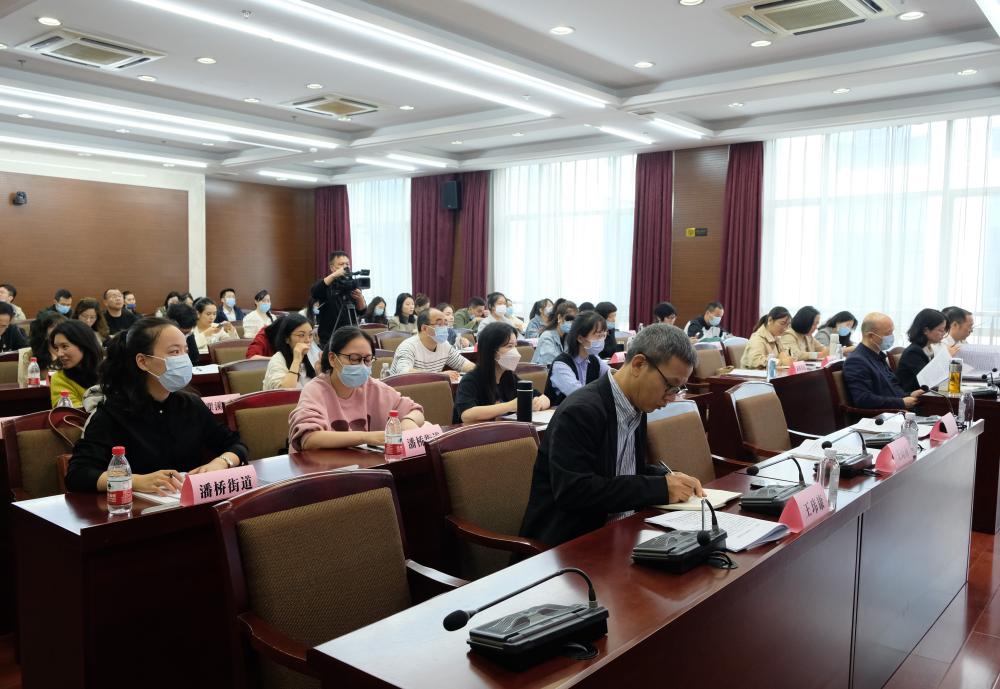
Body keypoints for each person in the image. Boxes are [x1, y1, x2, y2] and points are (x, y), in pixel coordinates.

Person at [519, 324, 705, 547]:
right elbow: (575, 492)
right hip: (570, 546)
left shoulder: (637, 405)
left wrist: (667, 477)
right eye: (670, 386)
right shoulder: (581, 411)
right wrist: (659, 488)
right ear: (639, 364)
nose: (671, 397)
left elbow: (620, 470)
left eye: (678, 390)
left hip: (622, 533)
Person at [66, 317, 248, 494]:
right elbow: (78, 474)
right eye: (174, 352)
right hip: (137, 510)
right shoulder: (111, 414)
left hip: (187, 502)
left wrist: (221, 462)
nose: (183, 359)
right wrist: (135, 481)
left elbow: (235, 444)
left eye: (185, 351)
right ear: (143, 361)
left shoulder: (190, 404)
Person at [288, 326, 425, 450]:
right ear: (332, 359)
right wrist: (367, 437)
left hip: (365, 465)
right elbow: (309, 439)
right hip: (324, 466)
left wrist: (408, 421)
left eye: (367, 360)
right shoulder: (315, 390)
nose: (362, 366)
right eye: (354, 359)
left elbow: (415, 410)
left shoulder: (372, 387)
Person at [453, 322, 550, 423]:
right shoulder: (471, 380)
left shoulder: (509, 377)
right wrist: (510, 406)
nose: (515, 352)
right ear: (492, 352)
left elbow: (544, 398)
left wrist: (538, 403)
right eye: (509, 346)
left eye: (515, 346)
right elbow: (466, 415)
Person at [844, 313, 924, 410]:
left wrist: (909, 395)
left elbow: (892, 388)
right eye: (888, 333)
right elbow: (863, 399)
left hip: (897, 410)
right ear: (871, 336)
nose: (891, 336)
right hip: (882, 415)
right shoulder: (856, 361)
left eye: (892, 332)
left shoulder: (878, 355)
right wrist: (901, 403)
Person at [387, 308, 474, 382]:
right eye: (439, 324)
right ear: (425, 328)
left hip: (429, 391)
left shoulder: (444, 345)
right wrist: (439, 376)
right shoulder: (408, 346)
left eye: (445, 324)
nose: (444, 328)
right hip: (402, 392)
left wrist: (479, 371)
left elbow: (463, 364)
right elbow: (404, 374)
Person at [546, 311, 611, 406]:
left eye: (603, 335)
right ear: (580, 338)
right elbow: (580, 396)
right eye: (598, 335)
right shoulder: (561, 365)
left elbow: (614, 379)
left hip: (587, 411)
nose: (601, 340)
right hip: (563, 413)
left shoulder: (594, 360)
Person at [312, 250, 368, 345]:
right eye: (341, 264)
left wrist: (360, 298)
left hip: (351, 334)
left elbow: (361, 311)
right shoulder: (327, 284)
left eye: (347, 264)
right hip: (330, 336)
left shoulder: (352, 284)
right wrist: (334, 275)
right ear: (332, 268)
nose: (346, 267)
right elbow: (315, 292)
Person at [48, 320, 103, 408]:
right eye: (57, 348)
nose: (59, 354)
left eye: (64, 346)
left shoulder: (109, 370)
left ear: (84, 344)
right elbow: (72, 413)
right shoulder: (59, 379)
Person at [896, 309, 949, 393]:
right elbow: (928, 380)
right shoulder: (913, 352)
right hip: (913, 396)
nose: (943, 334)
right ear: (925, 330)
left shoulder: (927, 349)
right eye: (940, 330)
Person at [263, 314, 321, 390]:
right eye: (301, 335)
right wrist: (296, 361)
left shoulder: (312, 356)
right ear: (287, 339)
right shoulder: (278, 360)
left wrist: (320, 374)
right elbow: (283, 393)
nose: (308, 340)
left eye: (310, 335)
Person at [17, 311, 65, 386]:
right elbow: (26, 384)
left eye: (61, 326)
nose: (59, 330)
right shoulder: (30, 355)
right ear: (44, 334)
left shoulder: (70, 352)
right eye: (53, 327)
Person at [532, 300, 577, 365]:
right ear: (559, 318)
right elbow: (550, 363)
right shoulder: (547, 337)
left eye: (574, 320)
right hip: (544, 370)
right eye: (569, 319)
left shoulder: (567, 337)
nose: (571, 323)